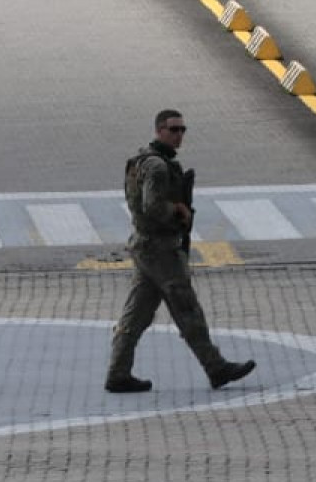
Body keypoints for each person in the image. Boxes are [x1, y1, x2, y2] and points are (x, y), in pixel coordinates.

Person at [106, 110, 258, 395]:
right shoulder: (158, 167)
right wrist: (177, 211)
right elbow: (152, 206)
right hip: (161, 250)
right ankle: (216, 367)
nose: (179, 135)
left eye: (182, 130)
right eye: (173, 129)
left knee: (135, 315)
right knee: (187, 309)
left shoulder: (142, 161)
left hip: (144, 246)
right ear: (159, 130)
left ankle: (118, 372)